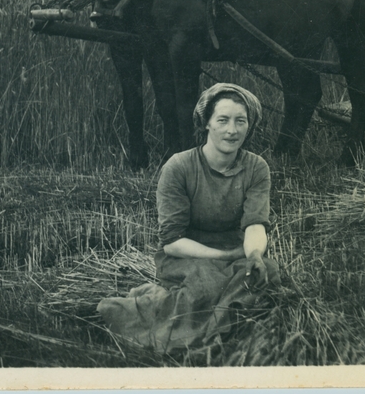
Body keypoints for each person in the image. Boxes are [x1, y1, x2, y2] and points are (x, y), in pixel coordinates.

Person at [97, 83, 279, 350]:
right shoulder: (179, 167)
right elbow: (172, 241)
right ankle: (203, 339)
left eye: (241, 121)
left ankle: (204, 328)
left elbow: (254, 223)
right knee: (207, 284)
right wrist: (227, 256)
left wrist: (253, 256)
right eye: (223, 120)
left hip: (237, 251)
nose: (232, 130)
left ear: (249, 125)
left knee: (269, 274)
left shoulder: (256, 167)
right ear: (206, 123)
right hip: (184, 256)